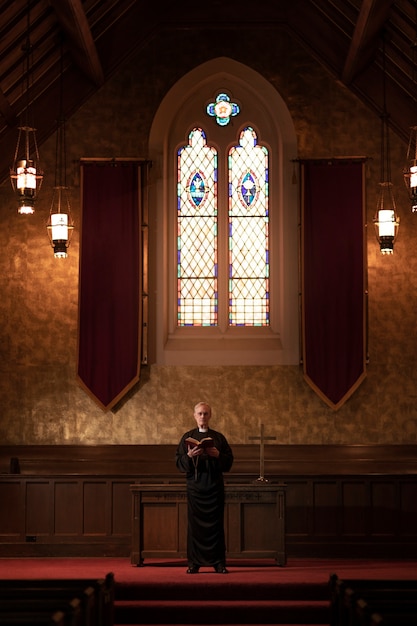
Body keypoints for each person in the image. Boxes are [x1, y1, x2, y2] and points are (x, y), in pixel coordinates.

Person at [176, 401, 234, 574]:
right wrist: (189, 455)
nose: (203, 416)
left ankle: (218, 563)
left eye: (206, 413)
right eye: (200, 413)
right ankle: (194, 563)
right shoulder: (187, 438)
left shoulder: (219, 438)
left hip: (214, 488)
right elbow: (178, 462)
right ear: (194, 415)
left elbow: (229, 462)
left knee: (216, 527)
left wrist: (218, 455)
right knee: (194, 527)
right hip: (195, 489)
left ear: (210, 416)